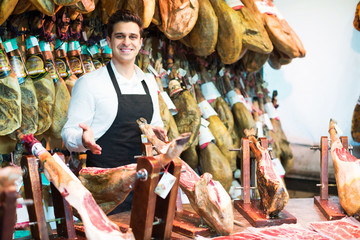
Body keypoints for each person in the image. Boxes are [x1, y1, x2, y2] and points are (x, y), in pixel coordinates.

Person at [61, 10, 166, 212]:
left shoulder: (149, 82)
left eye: (132, 36)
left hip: (144, 186)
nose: (127, 42)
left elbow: (156, 124)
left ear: (140, 42)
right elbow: (68, 134)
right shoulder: (89, 83)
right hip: (104, 191)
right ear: (109, 41)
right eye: (120, 36)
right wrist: (83, 141)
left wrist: (157, 133)